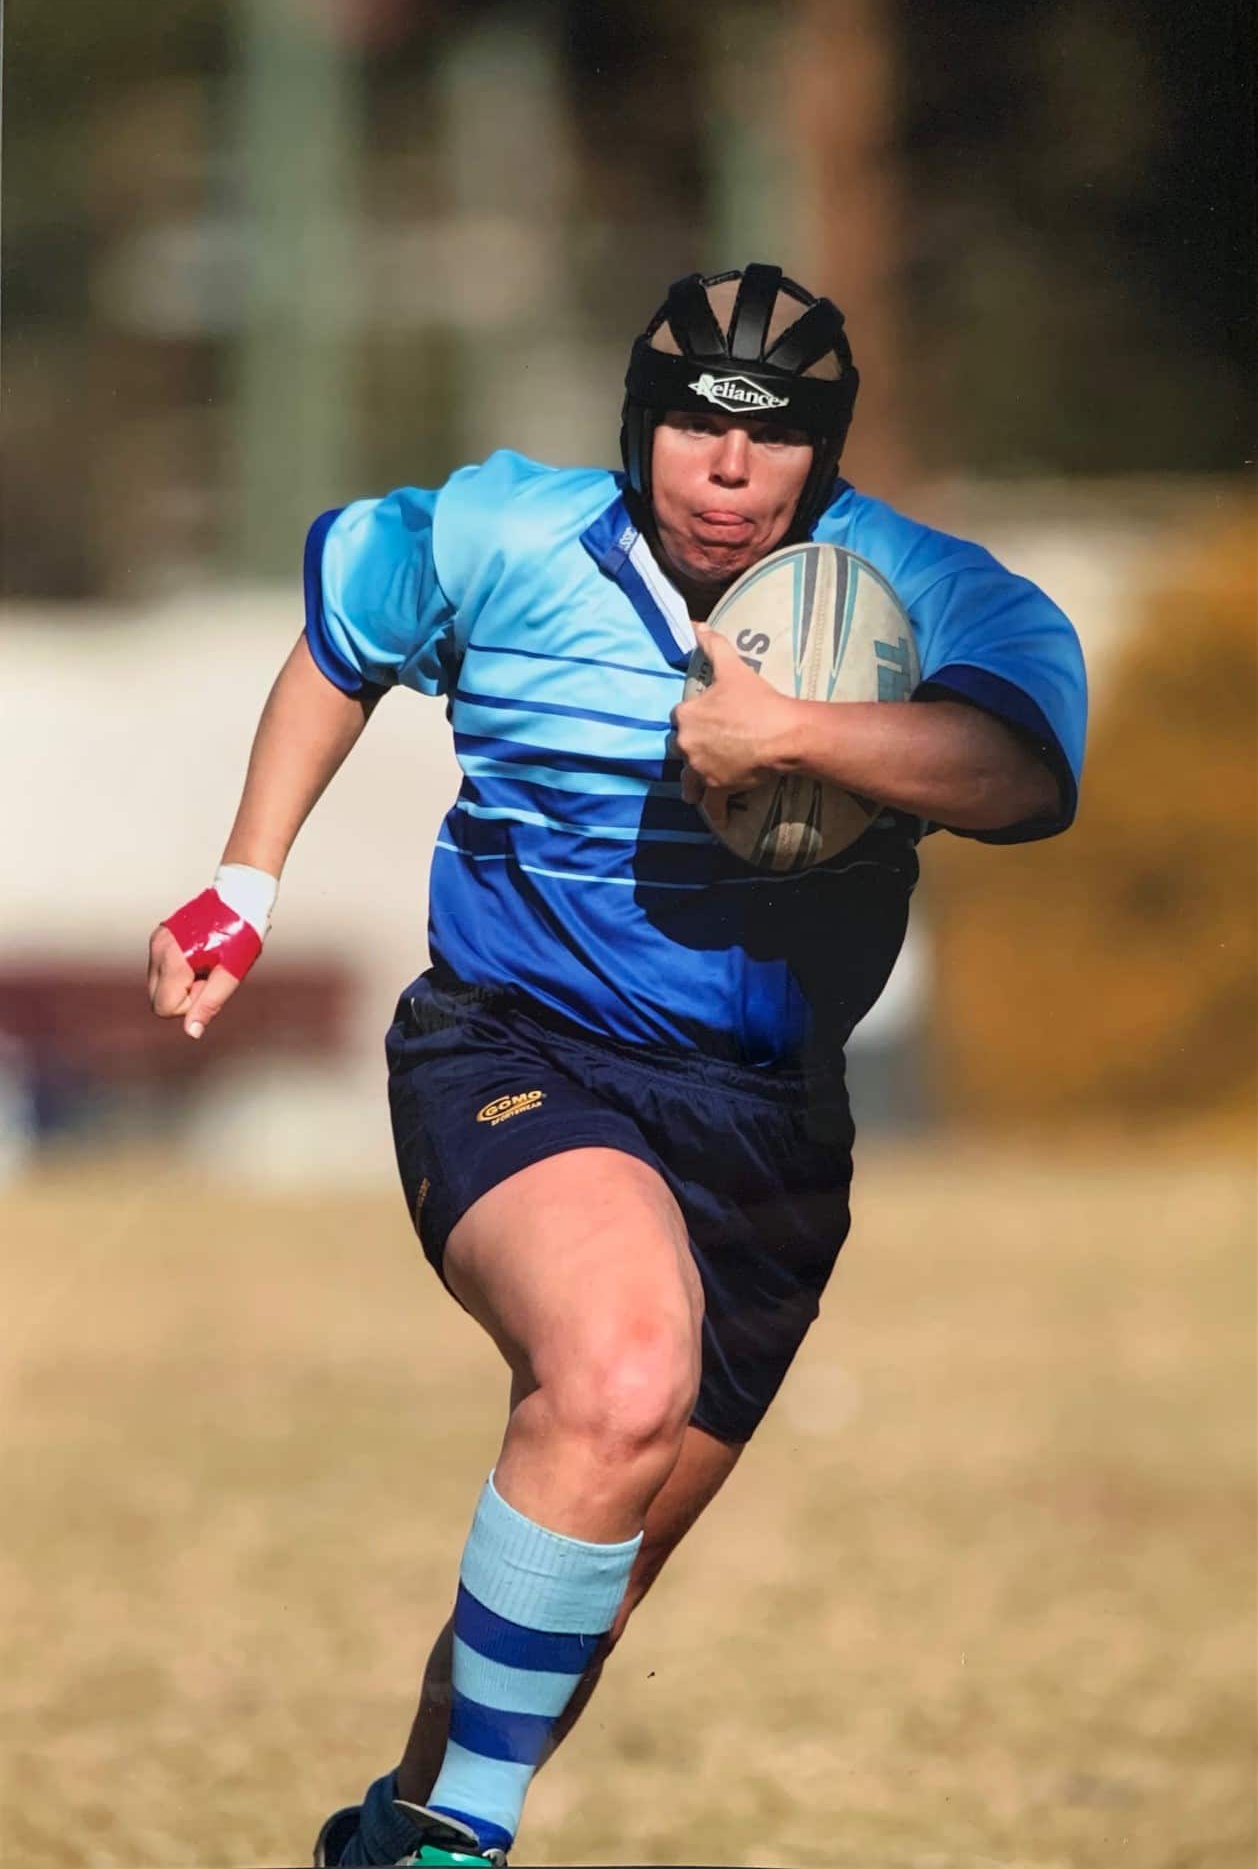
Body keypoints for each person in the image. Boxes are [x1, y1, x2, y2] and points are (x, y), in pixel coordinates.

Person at [147, 265, 1086, 1867]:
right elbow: (340, 635)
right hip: (520, 1050)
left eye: (771, 440)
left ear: (824, 453)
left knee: (588, 1552)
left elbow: (1022, 771)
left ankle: (393, 1832)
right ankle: (464, 1846)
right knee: (620, 1373)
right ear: (637, 429)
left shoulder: (924, 592)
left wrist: (797, 734)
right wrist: (243, 878)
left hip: (769, 1133)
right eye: (690, 432)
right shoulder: (506, 535)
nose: (724, 473)